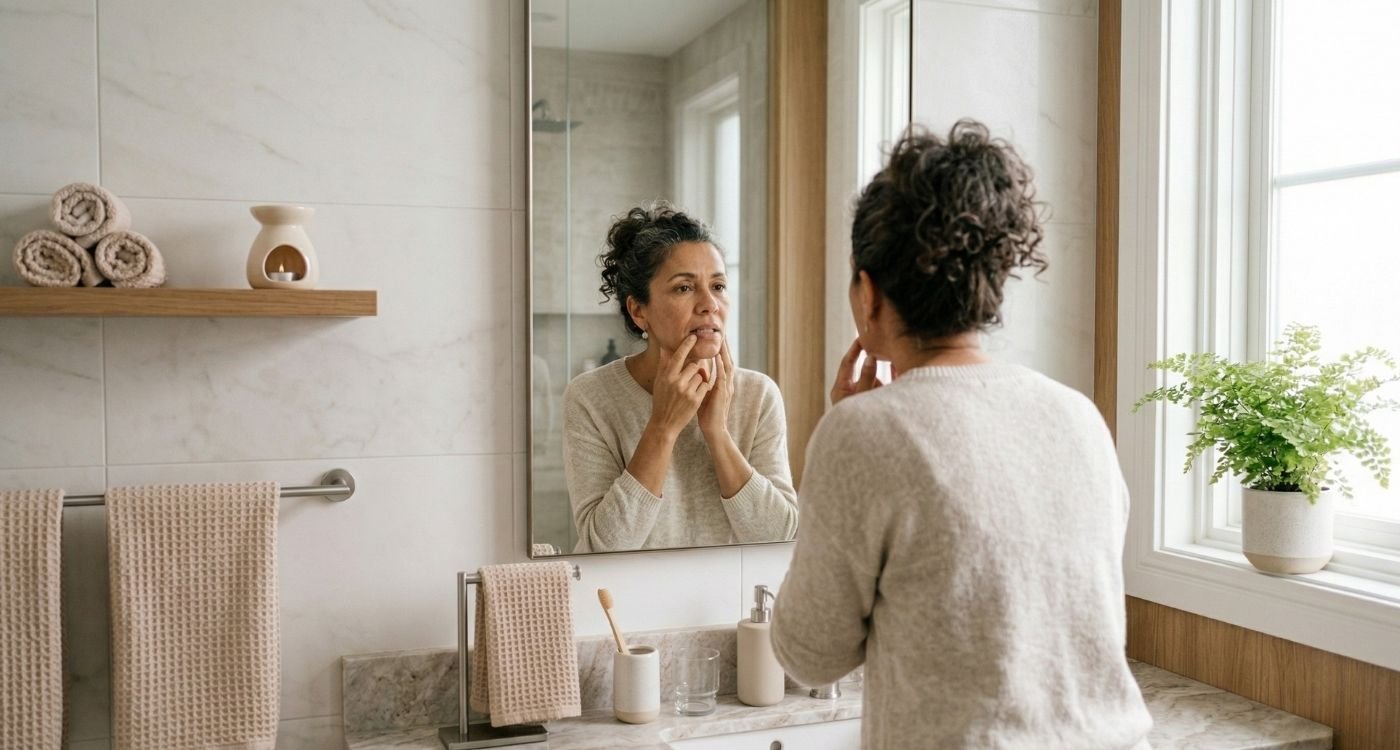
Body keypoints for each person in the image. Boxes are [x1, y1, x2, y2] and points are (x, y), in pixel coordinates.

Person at [770, 121, 1153, 749]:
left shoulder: (862, 433)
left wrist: (852, 432)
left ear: (868, 293)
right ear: (991, 285)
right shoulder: (1077, 416)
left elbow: (811, 655)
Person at [562, 202, 798, 552]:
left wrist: (717, 433)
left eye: (718, 286)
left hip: (726, 603)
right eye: (684, 288)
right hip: (621, 605)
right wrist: (662, 426)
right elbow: (603, 550)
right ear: (639, 311)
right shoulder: (591, 397)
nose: (709, 304)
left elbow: (781, 538)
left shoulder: (758, 395)